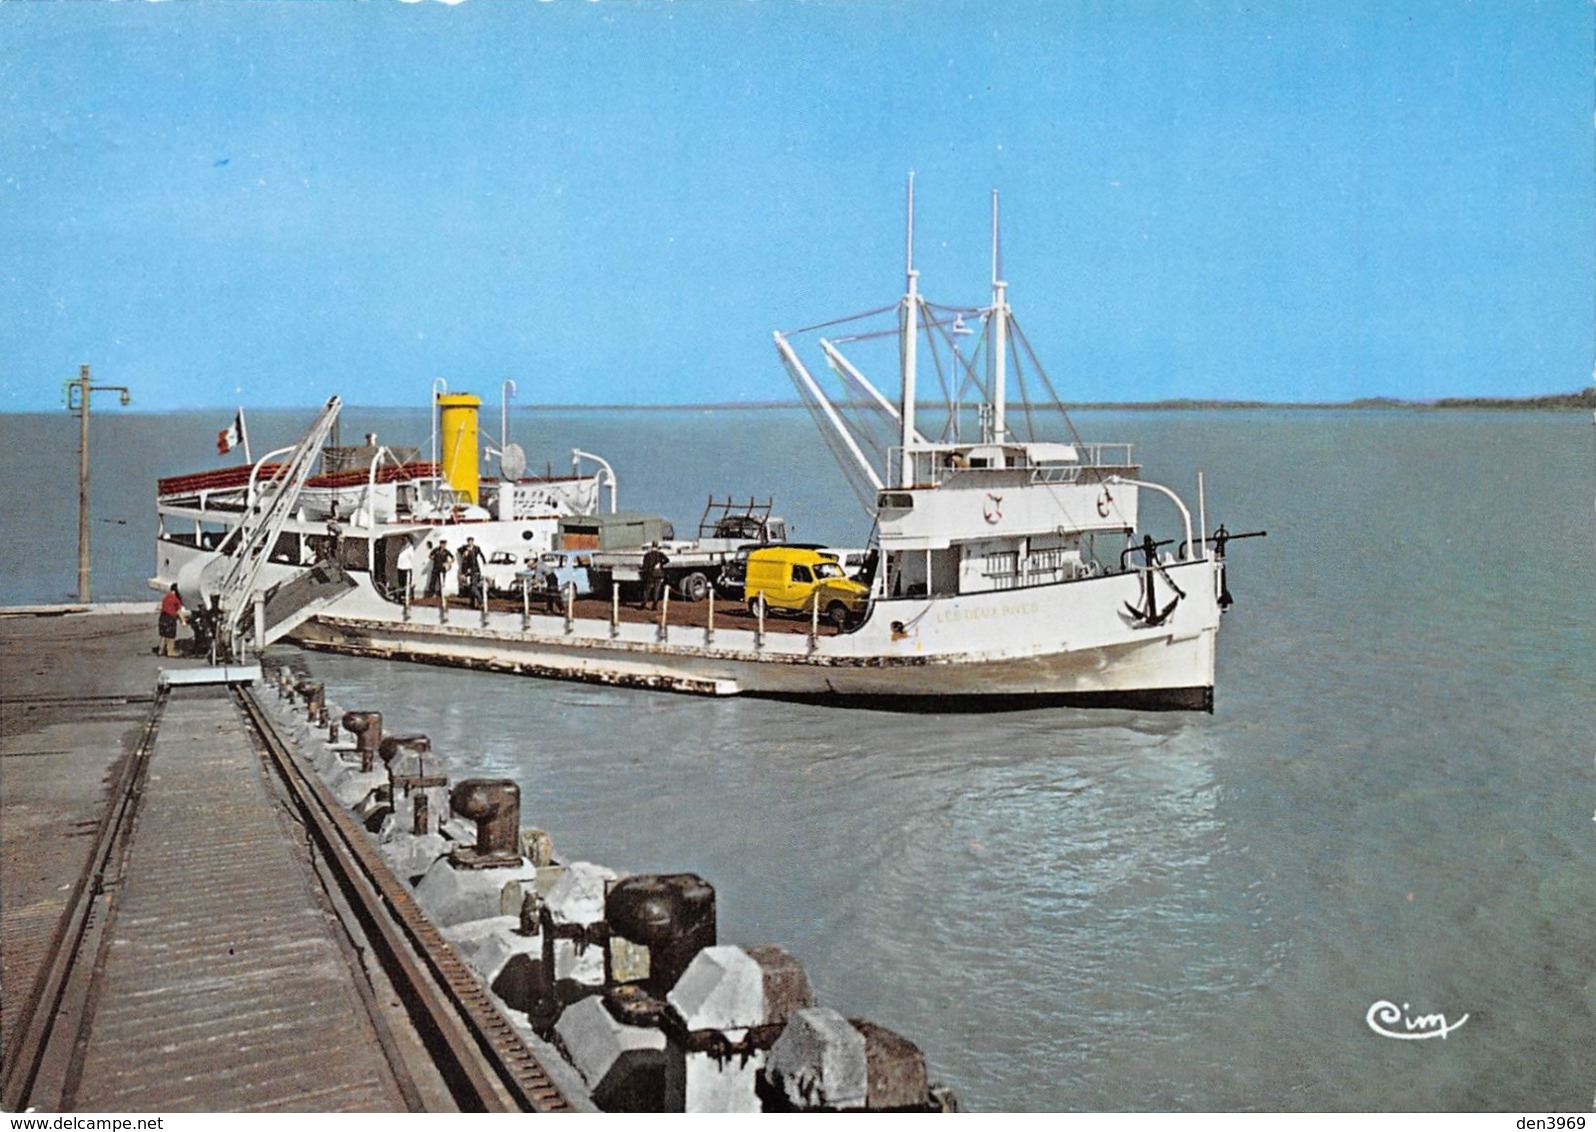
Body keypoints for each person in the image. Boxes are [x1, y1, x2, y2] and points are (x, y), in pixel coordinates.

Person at [156, 584, 185, 657]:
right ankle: (170, 651)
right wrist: (183, 621)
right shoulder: (176, 599)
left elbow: (160, 607)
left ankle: (160, 651)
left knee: (163, 636)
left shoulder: (166, 597)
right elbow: (179, 611)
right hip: (170, 618)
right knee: (171, 636)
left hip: (162, 617)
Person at [641, 541, 669, 610]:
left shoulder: (647, 555)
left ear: (651, 546)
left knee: (647, 590)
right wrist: (661, 564)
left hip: (650, 574)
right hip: (659, 574)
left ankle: (643, 604)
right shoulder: (660, 554)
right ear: (657, 546)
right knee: (657, 590)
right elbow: (667, 560)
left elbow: (644, 566)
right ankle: (654, 606)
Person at [458, 537, 485, 608]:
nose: (470, 543)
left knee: (473, 588)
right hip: (470, 572)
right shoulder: (465, 554)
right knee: (471, 587)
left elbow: (481, 557)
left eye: (471, 541)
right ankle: (472, 603)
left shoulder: (474, 551)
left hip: (475, 571)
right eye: (468, 541)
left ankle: (481, 601)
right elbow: (459, 551)